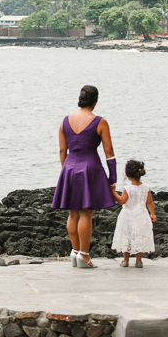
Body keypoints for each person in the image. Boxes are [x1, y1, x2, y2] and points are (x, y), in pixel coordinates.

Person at [51, 85, 117, 268]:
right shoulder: (100, 122)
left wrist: (66, 170)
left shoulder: (65, 121)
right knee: (86, 214)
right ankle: (85, 256)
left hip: (70, 167)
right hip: (90, 167)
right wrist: (113, 177)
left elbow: (62, 150)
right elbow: (109, 151)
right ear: (95, 102)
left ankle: (74, 252)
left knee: (73, 213)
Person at [110, 159, 156, 268]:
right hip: (141, 214)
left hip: (128, 215)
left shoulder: (127, 188)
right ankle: (139, 261)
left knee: (127, 236)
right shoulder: (146, 187)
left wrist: (113, 192)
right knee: (139, 236)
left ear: (128, 175)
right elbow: (149, 202)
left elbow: (122, 201)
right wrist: (153, 214)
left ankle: (125, 260)